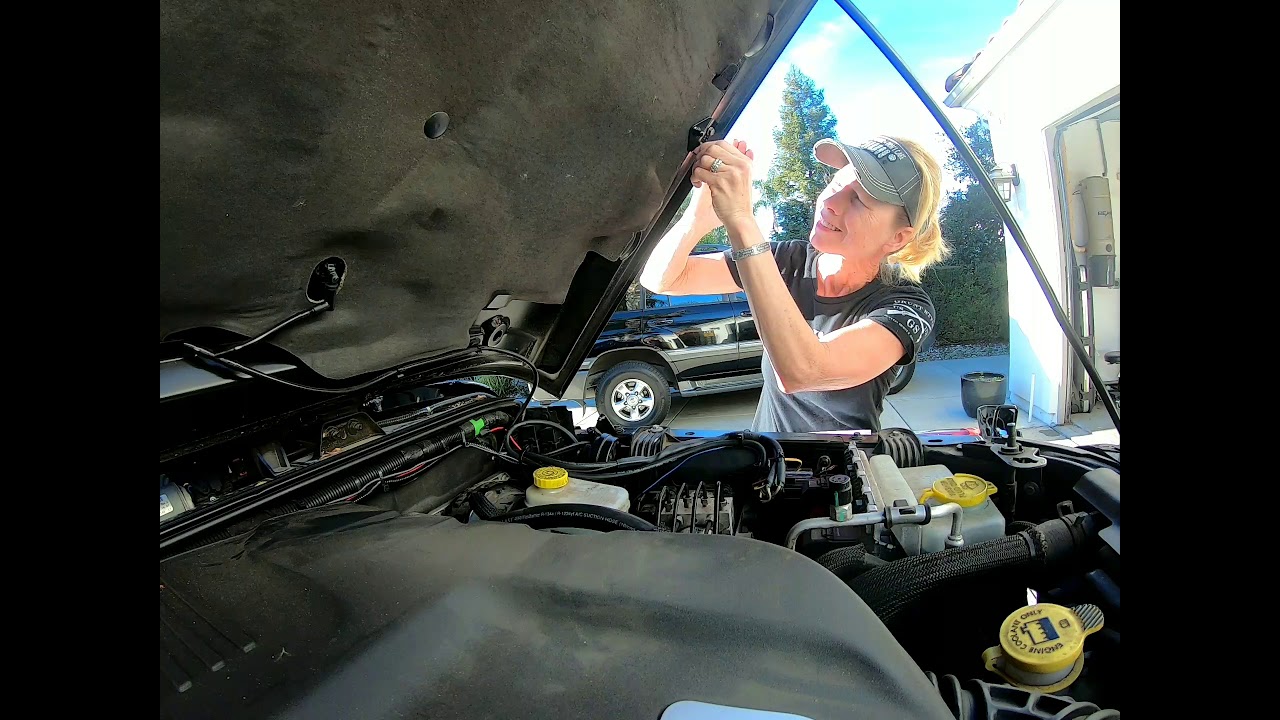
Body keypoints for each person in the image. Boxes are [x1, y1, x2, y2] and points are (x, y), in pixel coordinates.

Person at [639, 135, 947, 433]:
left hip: (844, 473)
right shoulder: (790, 260)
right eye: (837, 183)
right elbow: (663, 279)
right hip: (766, 462)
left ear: (898, 238)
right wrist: (698, 218)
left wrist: (741, 220)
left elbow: (805, 371)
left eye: (859, 199)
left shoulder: (906, 307)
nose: (830, 202)